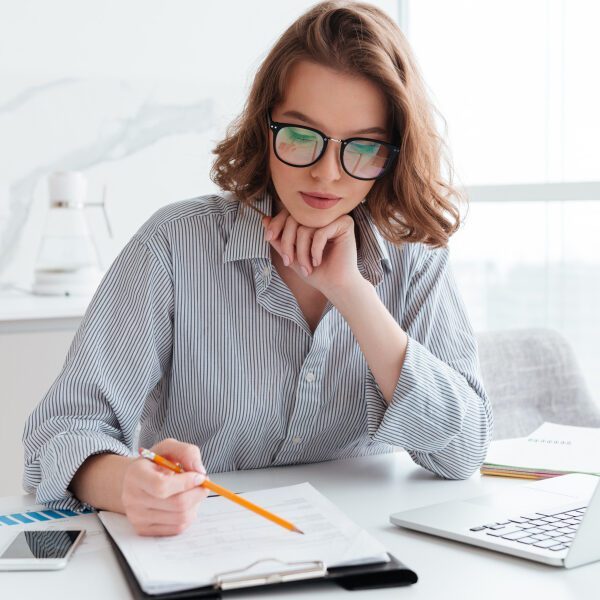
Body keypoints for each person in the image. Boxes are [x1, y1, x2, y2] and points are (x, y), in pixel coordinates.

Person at [23, 0, 492, 537]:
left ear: (394, 151)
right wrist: (128, 483)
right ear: (265, 126)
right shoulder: (175, 244)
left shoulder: (415, 256)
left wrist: (353, 294)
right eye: (300, 135)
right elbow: (57, 435)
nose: (326, 173)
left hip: (370, 555)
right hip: (202, 553)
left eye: (362, 147)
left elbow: (464, 450)